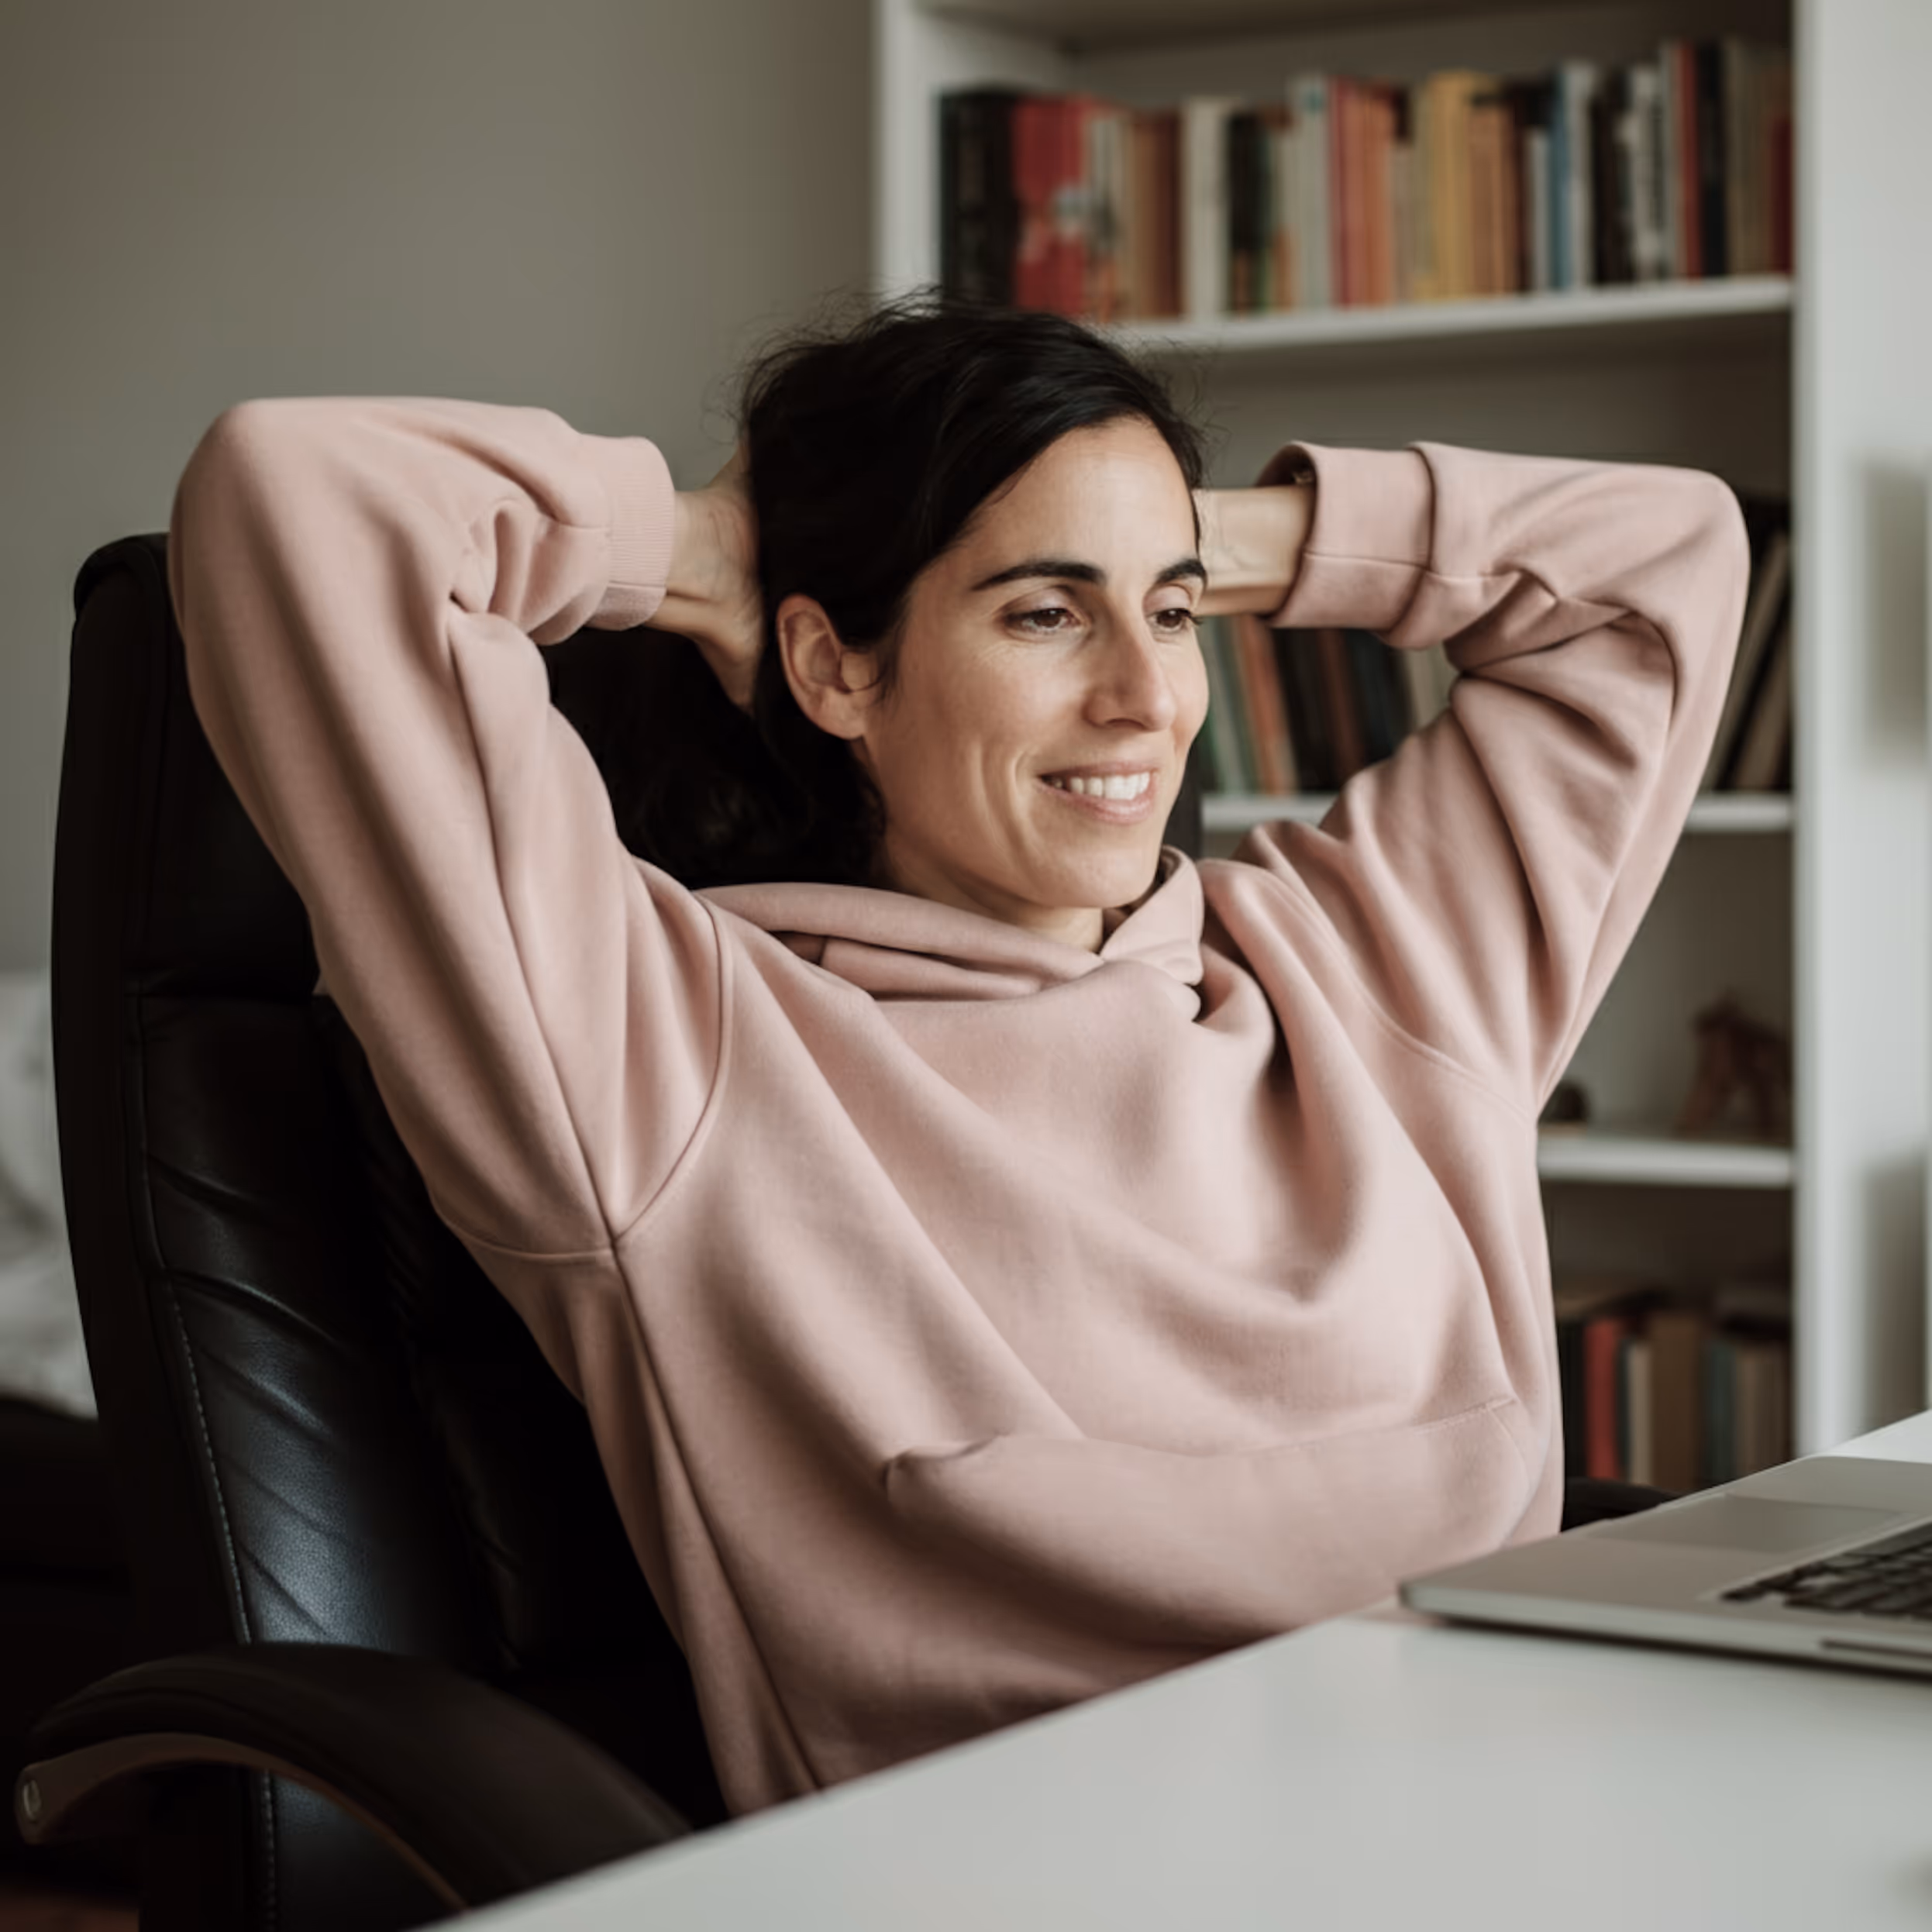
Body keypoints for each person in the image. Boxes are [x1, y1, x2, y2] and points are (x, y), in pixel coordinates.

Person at [165, 291, 1749, 1817]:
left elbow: (1657, 564)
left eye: (1177, 616)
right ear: (835, 666)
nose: (1144, 698)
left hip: (1526, 1806)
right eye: (1046, 611)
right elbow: (297, 495)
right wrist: (717, 543)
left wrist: (1206, 531)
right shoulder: (663, 1050)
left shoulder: (1367, 972)